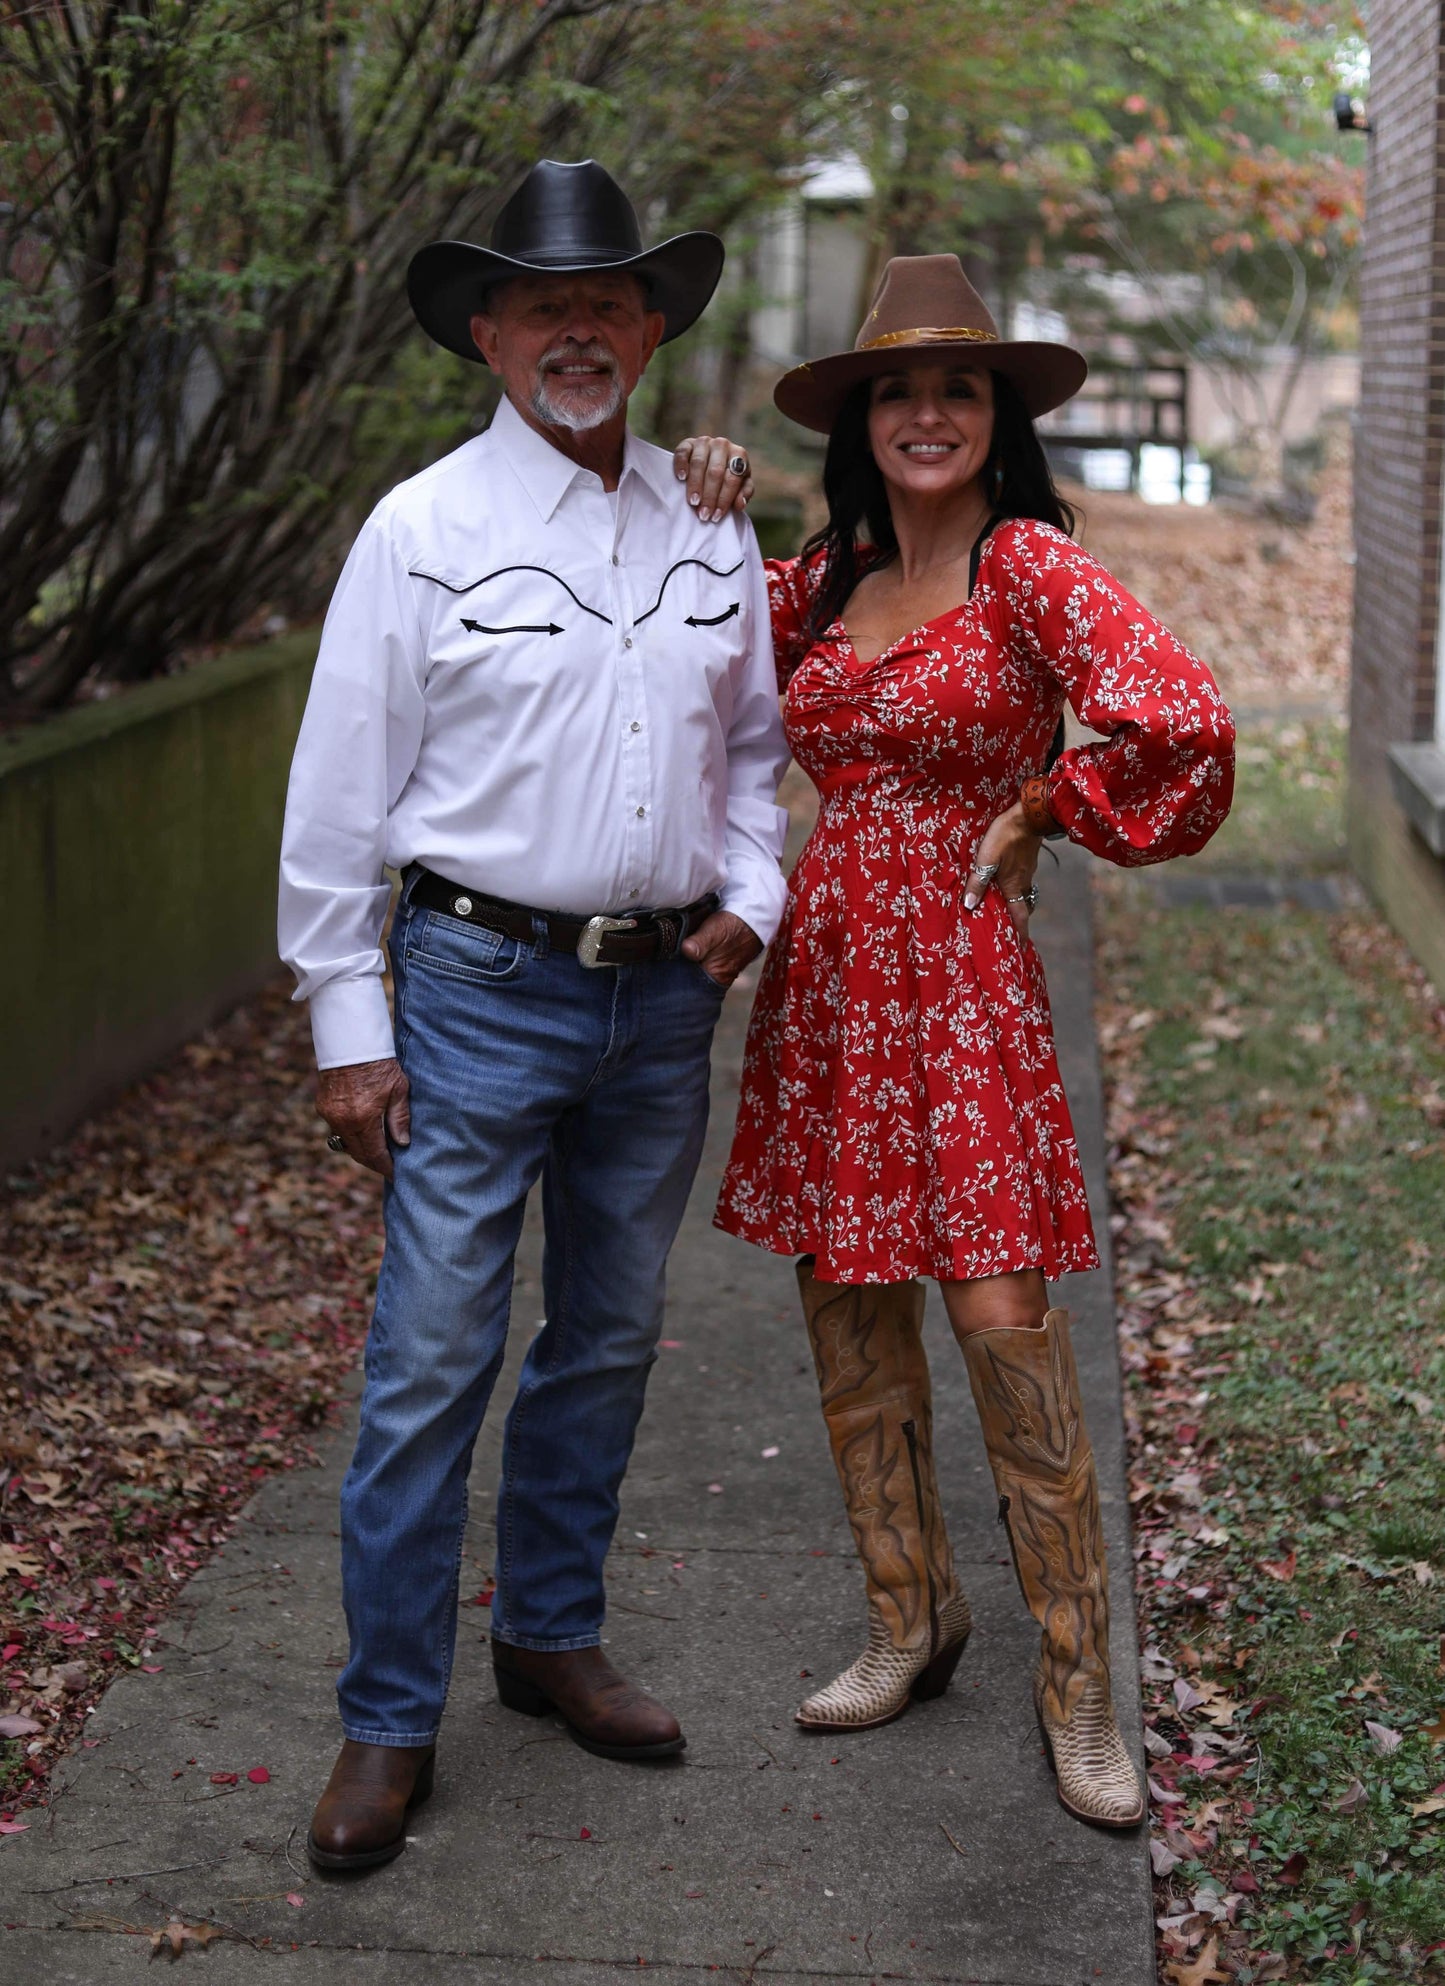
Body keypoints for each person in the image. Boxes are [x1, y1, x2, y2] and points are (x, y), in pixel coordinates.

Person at [678, 253, 1234, 1830]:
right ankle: (909, 1619)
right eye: (898, 391)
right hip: (834, 973)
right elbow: (662, 631)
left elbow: (1179, 720)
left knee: (996, 1308)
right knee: (845, 1293)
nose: (927, 412)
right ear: (861, 423)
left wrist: (1053, 799)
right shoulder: (817, 578)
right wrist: (696, 488)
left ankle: (1078, 1687)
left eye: (958, 387)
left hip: (964, 975)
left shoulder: (1027, 569)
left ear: (997, 419)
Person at [279, 159, 789, 1873]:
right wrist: (352, 1019)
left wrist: (745, 911)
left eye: (610, 300)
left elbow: (755, 761)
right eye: (543, 303)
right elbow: (339, 797)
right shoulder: (419, 531)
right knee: (431, 1362)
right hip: (476, 993)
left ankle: (548, 1634)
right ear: (488, 334)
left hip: (660, 1006)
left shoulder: (710, 518)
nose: (579, 327)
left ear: (649, 328)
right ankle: (384, 1715)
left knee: (606, 1342)